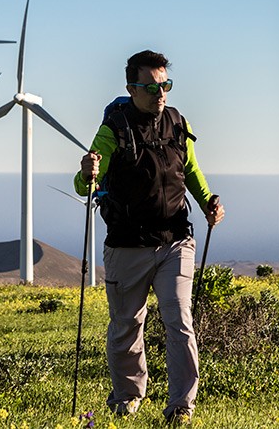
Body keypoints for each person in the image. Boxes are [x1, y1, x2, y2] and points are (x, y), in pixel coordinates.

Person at [74, 49, 225, 424]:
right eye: (151, 87)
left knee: (180, 321)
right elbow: (84, 185)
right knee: (127, 325)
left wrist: (208, 202)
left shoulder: (176, 122)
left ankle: (181, 406)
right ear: (131, 88)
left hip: (176, 239)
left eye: (165, 85)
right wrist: (86, 171)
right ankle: (127, 397)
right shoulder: (114, 129)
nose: (160, 94)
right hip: (127, 245)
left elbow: (190, 169)